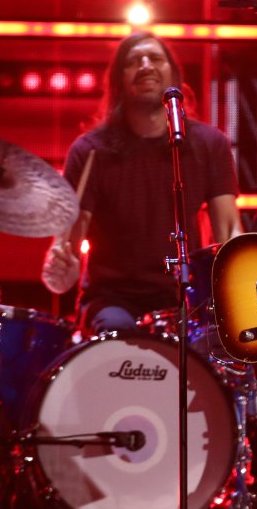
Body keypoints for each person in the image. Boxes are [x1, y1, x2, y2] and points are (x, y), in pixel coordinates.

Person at [41, 31, 241, 333]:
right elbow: (67, 247)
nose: (145, 65)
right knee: (117, 333)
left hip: (186, 298)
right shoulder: (90, 151)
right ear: (119, 81)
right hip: (112, 300)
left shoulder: (209, 144)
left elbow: (228, 232)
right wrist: (61, 271)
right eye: (133, 61)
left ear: (173, 75)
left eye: (155, 58)